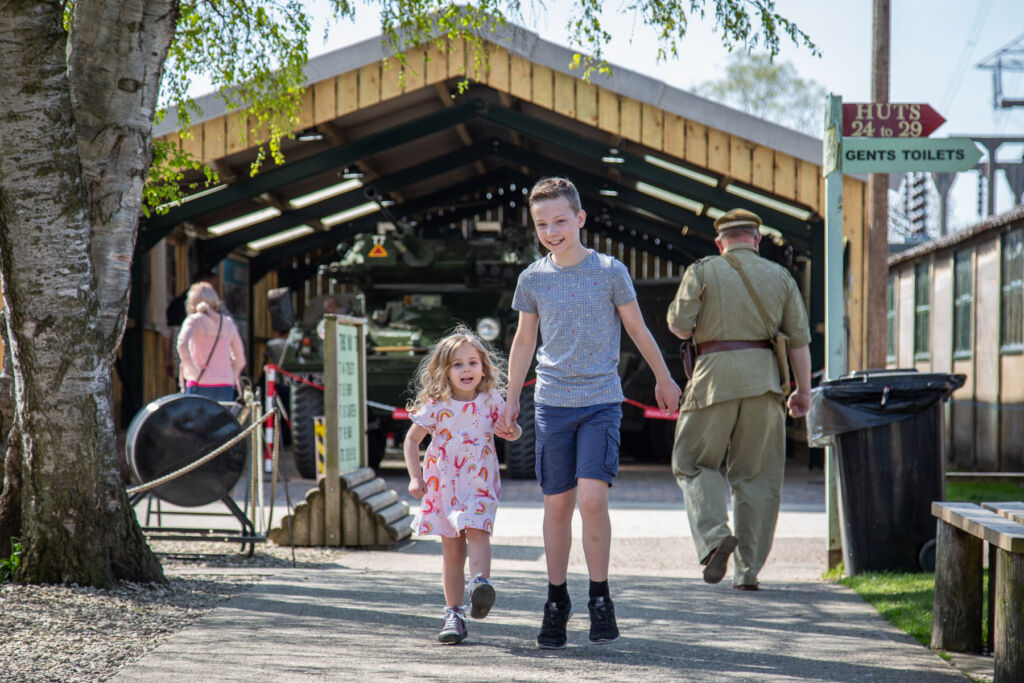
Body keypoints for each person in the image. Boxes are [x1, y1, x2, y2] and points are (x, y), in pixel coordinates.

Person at [500, 177, 681, 649]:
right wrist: (509, 397)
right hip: (551, 405)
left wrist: (664, 377)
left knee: (593, 500)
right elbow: (523, 342)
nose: (552, 230)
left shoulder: (610, 271)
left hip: (601, 401)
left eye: (560, 220)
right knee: (557, 504)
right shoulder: (533, 278)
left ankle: (600, 597)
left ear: (580, 219)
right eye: (542, 224)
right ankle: (556, 600)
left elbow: (639, 330)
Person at [666, 208, 812, 591]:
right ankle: (747, 572)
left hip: (712, 381)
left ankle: (715, 538)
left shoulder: (702, 269)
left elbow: (680, 328)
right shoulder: (781, 276)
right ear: (757, 239)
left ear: (720, 242)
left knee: (693, 462)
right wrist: (803, 392)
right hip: (765, 384)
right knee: (757, 479)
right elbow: (799, 341)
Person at [403, 326, 522, 645]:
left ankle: (480, 584)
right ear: (445, 370)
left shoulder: (490, 400)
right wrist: (416, 477)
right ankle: (453, 613)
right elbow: (412, 441)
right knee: (452, 551)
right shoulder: (436, 403)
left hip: (480, 483)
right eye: (457, 364)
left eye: (472, 362)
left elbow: (510, 429)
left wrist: (511, 431)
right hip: (444, 487)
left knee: (479, 530)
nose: (466, 369)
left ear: (483, 367)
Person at [176, 282, 247, 402]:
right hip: (225, 385)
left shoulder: (193, 320)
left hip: (198, 383)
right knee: (222, 420)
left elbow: (182, 344)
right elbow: (240, 358)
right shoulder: (228, 323)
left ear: (192, 302)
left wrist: (191, 368)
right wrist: (231, 373)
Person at [164, 269, 218, 380]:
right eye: (213, 285)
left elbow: (167, 335)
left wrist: (167, 358)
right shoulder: (213, 308)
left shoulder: (176, 303)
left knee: (184, 391)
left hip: (180, 361)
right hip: (205, 365)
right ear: (205, 283)